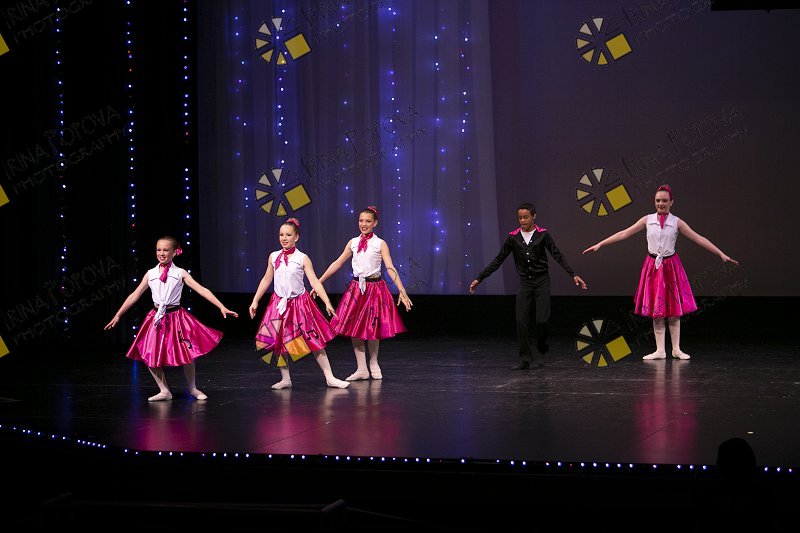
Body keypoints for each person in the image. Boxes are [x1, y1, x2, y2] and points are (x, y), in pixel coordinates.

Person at [583, 184, 738, 360]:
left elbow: (698, 238)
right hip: (653, 268)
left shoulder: (677, 222)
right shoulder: (647, 220)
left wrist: (720, 254)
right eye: (658, 200)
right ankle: (660, 350)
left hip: (671, 267)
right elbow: (624, 233)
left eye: (664, 201)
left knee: (673, 309)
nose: (661, 204)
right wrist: (601, 244)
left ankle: (676, 349)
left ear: (671, 202)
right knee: (657, 309)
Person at [104, 236, 238, 401]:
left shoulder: (179, 273)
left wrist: (221, 306)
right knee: (148, 353)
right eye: (158, 250)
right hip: (156, 318)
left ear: (175, 252)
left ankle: (193, 388)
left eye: (166, 250)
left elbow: (201, 289)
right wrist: (118, 314)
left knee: (186, 353)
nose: (161, 253)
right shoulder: (151, 274)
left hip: (176, 317)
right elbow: (135, 295)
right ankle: (164, 390)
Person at [469, 202, 587, 369]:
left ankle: (540, 348)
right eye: (520, 218)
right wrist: (480, 278)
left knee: (542, 320)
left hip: (542, 281)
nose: (522, 220)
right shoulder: (513, 237)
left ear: (533, 217)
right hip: (526, 283)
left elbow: (558, 255)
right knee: (521, 320)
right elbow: (498, 259)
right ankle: (524, 358)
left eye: (526, 217)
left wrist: (573, 274)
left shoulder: (543, 235)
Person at [249, 218, 350, 390]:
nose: (284, 238)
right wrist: (255, 300)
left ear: (296, 237)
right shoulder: (273, 256)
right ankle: (285, 379)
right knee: (278, 340)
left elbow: (314, 282)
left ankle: (330, 377)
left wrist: (327, 302)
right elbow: (266, 279)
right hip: (279, 304)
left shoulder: (302, 258)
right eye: (281, 235)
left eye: (288, 235)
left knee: (313, 339)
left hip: (300, 305)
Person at [315, 206, 412, 381]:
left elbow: (390, 267)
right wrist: (319, 282)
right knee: (354, 327)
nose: (364, 224)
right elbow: (337, 263)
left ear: (375, 223)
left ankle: (373, 363)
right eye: (361, 220)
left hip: (375, 288)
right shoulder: (353, 242)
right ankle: (361, 368)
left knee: (372, 327)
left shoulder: (380, 243)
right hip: (356, 288)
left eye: (368, 221)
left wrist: (401, 289)